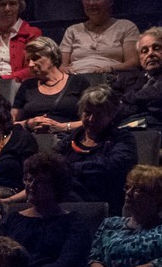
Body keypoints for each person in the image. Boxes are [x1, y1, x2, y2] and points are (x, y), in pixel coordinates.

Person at [0, 152, 92, 267]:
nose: (31, 185)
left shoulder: (74, 223)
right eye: (28, 179)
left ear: (57, 186)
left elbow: (66, 265)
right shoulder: (14, 219)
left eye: (39, 181)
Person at [53, 86, 138, 214]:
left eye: (99, 114)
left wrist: (70, 168)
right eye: (87, 113)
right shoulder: (73, 138)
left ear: (111, 115)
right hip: (64, 203)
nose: (92, 119)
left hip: (101, 206)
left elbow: (113, 166)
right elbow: (52, 165)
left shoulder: (122, 138)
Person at [88, 164, 162, 267]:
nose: (128, 193)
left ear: (158, 198)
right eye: (128, 187)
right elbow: (95, 258)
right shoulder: (110, 223)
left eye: (138, 190)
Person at [60, 0, 139, 74]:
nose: (91, 3)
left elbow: (133, 62)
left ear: (110, 0)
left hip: (110, 78)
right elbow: (62, 65)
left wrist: (109, 69)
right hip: (76, 78)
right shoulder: (72, 30)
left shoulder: (126, 26)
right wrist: (65, 70)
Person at [11, 37, 90, 132]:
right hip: (31, 140)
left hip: (68, 139)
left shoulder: (78, 82)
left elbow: (92, 120)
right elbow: (10, 123)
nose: (30, 64)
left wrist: (62, 127)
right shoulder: (27, 86)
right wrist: (28, 123)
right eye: (28, 60)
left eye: (36, 58)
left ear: (52, 57)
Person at [113, 27, 162, 132]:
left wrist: (126, 100)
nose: (150, 54)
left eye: (156, 48)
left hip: (156, 131)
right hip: (123, 130)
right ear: (140, 58)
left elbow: (158, 94)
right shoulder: (128, 79)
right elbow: (112, 106)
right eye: (144, 51)